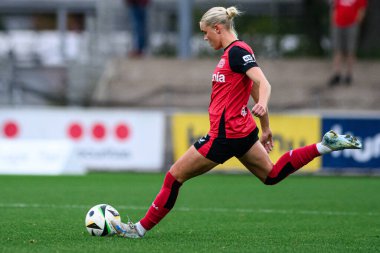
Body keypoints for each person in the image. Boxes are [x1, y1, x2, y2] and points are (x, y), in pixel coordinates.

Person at [111, 6, 362, 238]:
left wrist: (262, 103)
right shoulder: (234, 53)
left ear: (218, 28)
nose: (205, 37)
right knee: (271, 175)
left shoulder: (237, 52)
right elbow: (252, 88)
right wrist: (265, 127)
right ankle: (324, 146)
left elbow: (263, 83)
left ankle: (139, 229)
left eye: (206, 32)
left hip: (224, 136)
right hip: (242, 133)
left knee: (173, 177)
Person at [328, 0, 367, 86]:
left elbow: (362, 10)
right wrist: (333, 21)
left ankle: (349, 75)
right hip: (338, 24)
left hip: (351, 25)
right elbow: (334, 8)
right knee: (337, 50)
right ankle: (337, 74)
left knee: (351, 50)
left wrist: (356, 22)